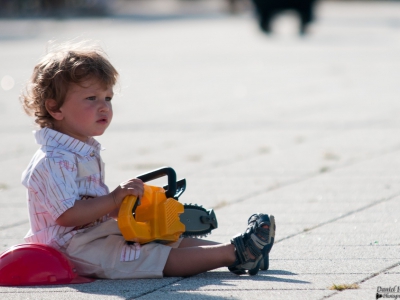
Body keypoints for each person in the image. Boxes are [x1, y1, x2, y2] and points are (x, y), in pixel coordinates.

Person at [20, 41, 276, 279]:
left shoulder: (82, 150)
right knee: (149, 256)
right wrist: (112, 199)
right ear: (55, 108)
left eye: (108, 98)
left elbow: (86, 202)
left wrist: (121, 207)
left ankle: (242, 247)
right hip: (69, 248)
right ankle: (235, 254)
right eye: (91, 98)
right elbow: (66, 215)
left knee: (158, 238)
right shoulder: (53, 159)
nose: (104, 107)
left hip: (91, 236)